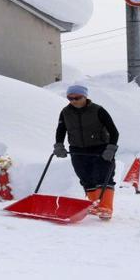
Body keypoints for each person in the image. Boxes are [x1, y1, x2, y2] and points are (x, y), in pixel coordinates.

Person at [53, 84, 120, 220]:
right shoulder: (65, 112)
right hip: (77, 149)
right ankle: (95, 206)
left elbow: (114, 131)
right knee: (85, 178)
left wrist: (111, 148)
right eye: (70, 98)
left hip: (100, 148)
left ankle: (105, 208)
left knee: (103, 177)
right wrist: (59, 145)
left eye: (77, 98)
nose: (73, 101)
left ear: (85, 97)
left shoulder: (98, 110)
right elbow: (61, 130)